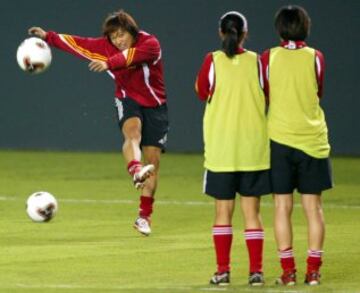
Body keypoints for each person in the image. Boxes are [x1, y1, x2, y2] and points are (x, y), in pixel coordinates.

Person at [28, 10, 169, 236]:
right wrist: (48, 37)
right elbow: (78, 44)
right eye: (113, 37)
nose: (118, 40)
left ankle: (144, 217)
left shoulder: (150, 43)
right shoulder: (105, 47)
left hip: (156, 106)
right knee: (132, 134)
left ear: (132, 31)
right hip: (127, 99)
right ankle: (135, 169)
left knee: (153, 162)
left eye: (121, 35)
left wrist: (108, 63)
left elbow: (130, 57)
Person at [195, 11, 271, 286]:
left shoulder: (211, 61)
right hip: (253, 150)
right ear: (245, 34)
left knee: (222, 213)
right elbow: (268, 93)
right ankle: (256, 273)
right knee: (252, 214)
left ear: (220, 33)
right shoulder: (258, 62)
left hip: (221, 151)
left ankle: (223, 272)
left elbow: (201, 91)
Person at [261, 5, 333, 286]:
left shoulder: (268, 57)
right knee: (313, 208)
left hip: (279, 140)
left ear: (279, 28)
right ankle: (313, 272)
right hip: (313, 140)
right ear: (305, 27)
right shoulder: (316, 57)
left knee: (281, 207)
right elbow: (319, 90)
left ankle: (288, 272)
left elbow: (266, 93)